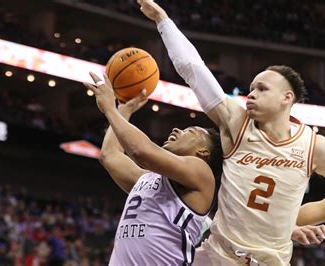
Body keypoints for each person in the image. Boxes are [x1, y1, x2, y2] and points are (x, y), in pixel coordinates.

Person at [136, 1, 325, 265]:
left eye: (262, 89)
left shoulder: (313, 145)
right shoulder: (236, 123)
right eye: (252, 88)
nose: (252, 94)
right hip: (217, 256)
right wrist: (163, 20)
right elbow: (193, 69)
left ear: (286, 98)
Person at [83, 73, 223, 265]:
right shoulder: (147, 179)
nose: (176, 130)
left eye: (189, 131)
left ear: (203, 151)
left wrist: (109, 109)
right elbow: (110, 155)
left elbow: (140, 152)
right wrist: (124, 110)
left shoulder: (201, 173)